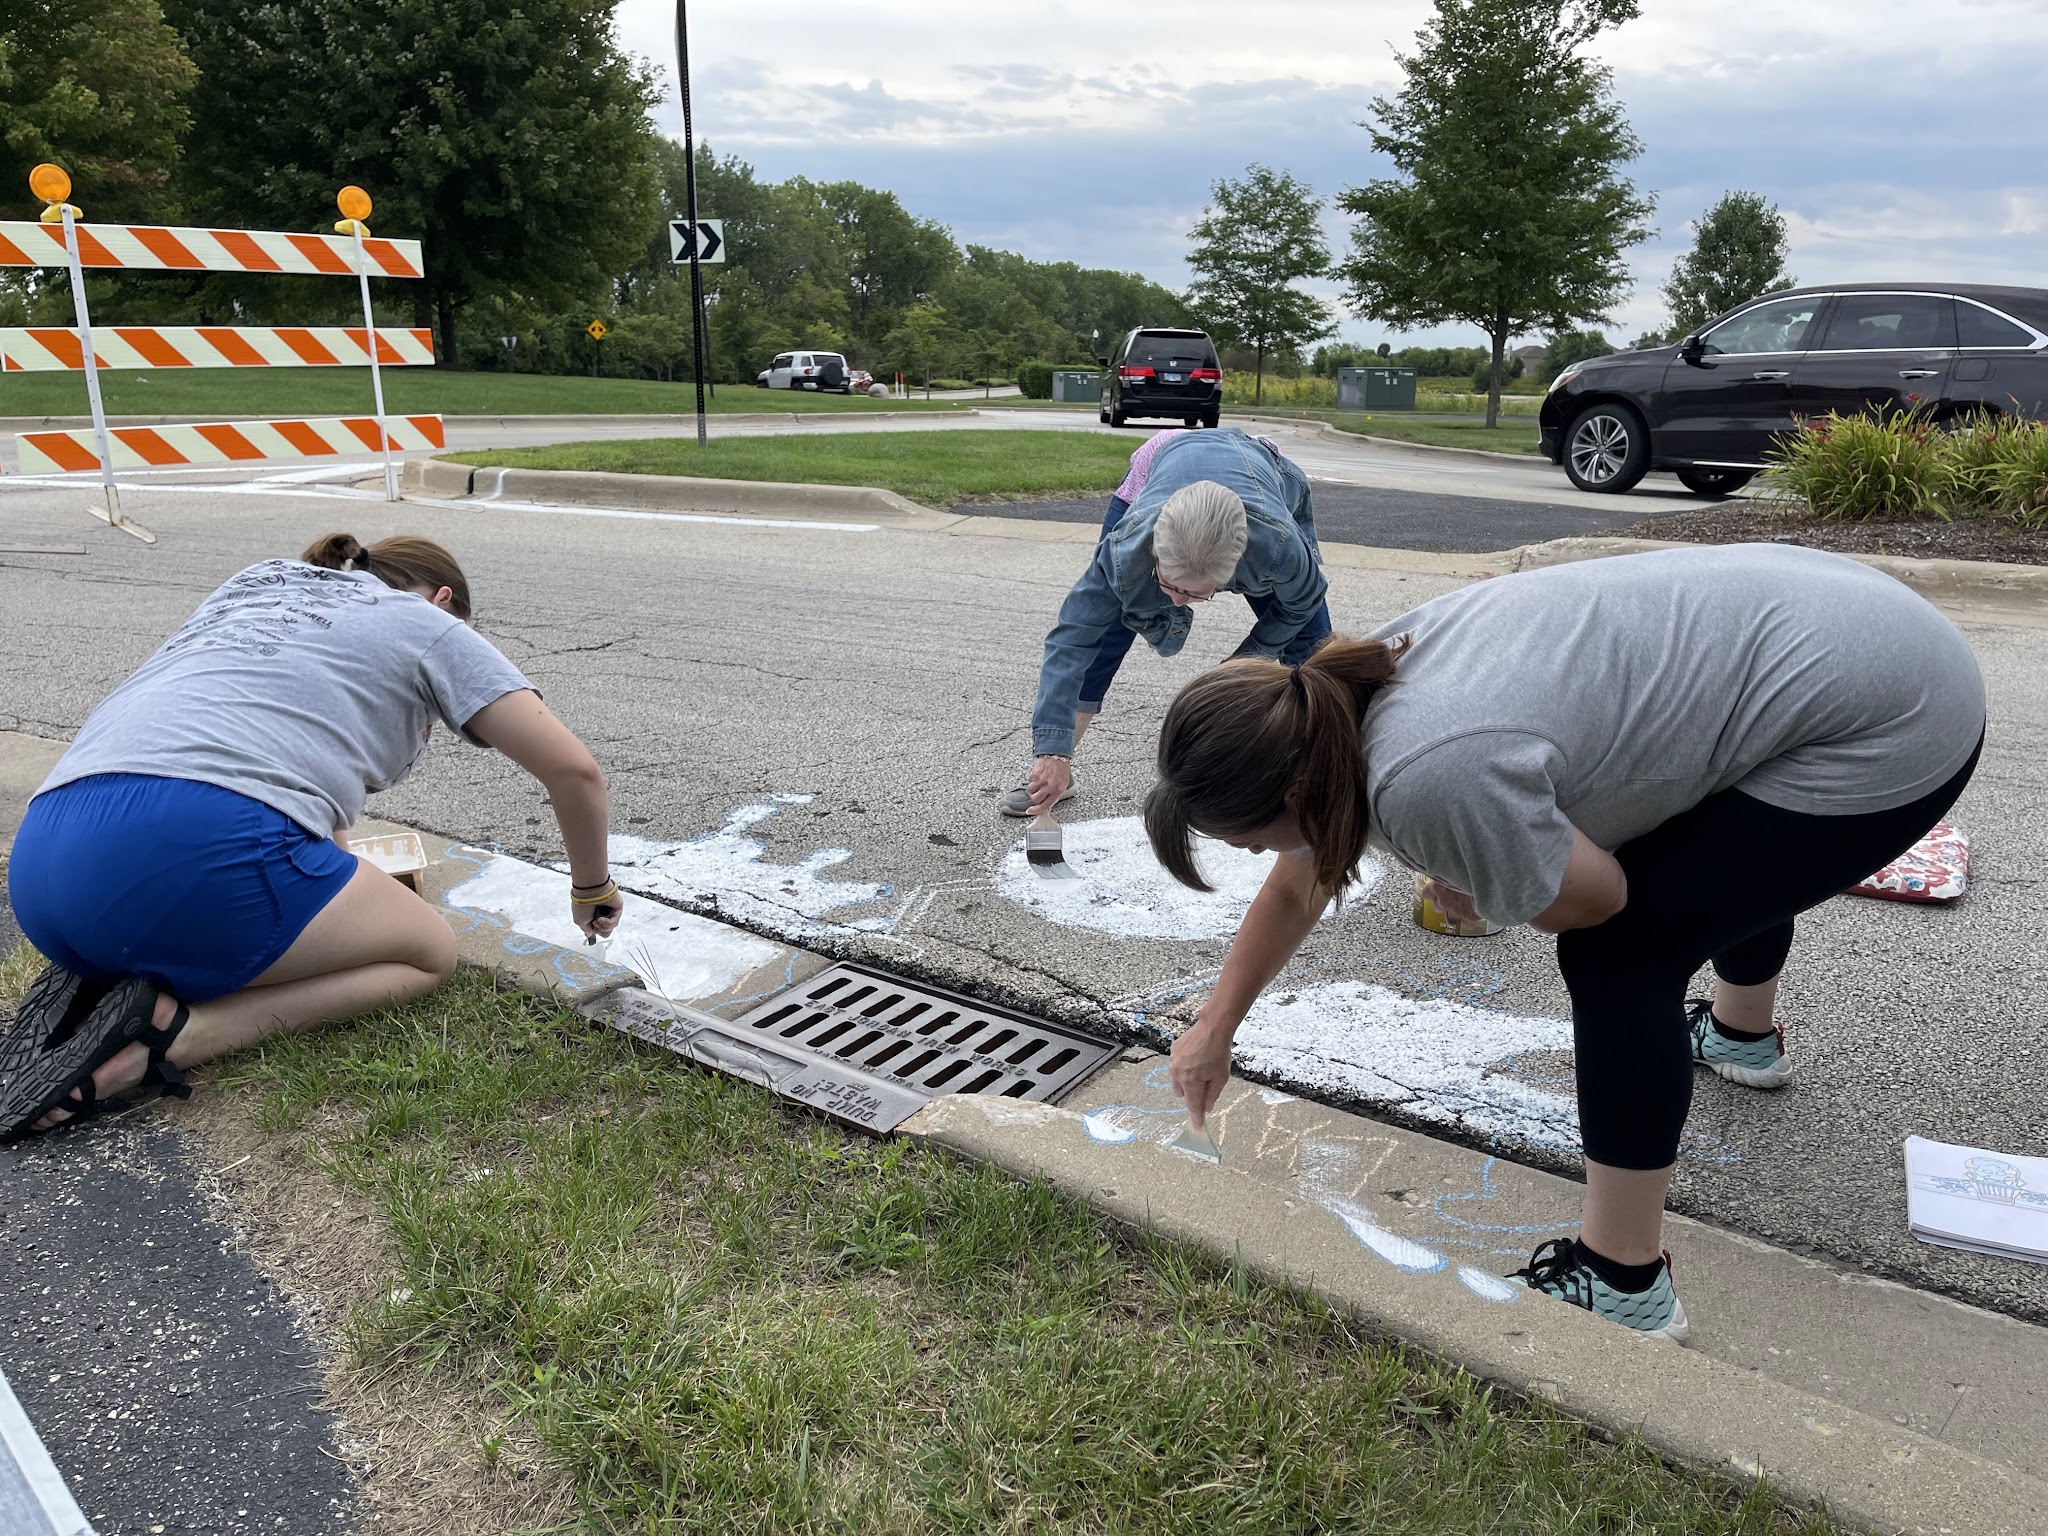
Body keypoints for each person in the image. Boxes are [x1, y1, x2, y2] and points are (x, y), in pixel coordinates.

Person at [1143, 544, 1984, 1340]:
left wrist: (1489, 883)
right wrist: (1215, 1027)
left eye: (1248, 840)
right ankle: (1740, 1036)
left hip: (1890, 718)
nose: (1257, 857)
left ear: (1296, 792)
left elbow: (1597, 902)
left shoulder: (1425, 778)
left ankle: (1623, 1281)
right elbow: (1299, 878)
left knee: (1621, 958)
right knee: (1707, 859)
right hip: (1847, 627)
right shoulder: (1328, 700)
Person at [1, 533, 624, 1137]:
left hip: (45, 864)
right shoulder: (427, 624)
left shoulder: (257, 585)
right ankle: (175, 1033)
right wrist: (592, 888)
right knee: (429, 952)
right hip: (195, 851)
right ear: (442, 601)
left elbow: (294, 793)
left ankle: (114, 964)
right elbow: (574, 772)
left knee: (221, 894)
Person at [1002, 426, 1333, 818]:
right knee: (1107, 633)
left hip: (1257, 471)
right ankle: (1055, 770)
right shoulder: (1128, 548)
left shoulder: (1278, 547)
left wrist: (1242, 666)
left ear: (1234, 568)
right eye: (1170, 584)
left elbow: (1301, 604)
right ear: (1155, 552)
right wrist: (1052, 748)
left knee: (1313, 647)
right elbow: (1073, 639)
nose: (1176, 601)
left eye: (1195, 593)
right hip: (1160, 461)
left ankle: (1317, 774)